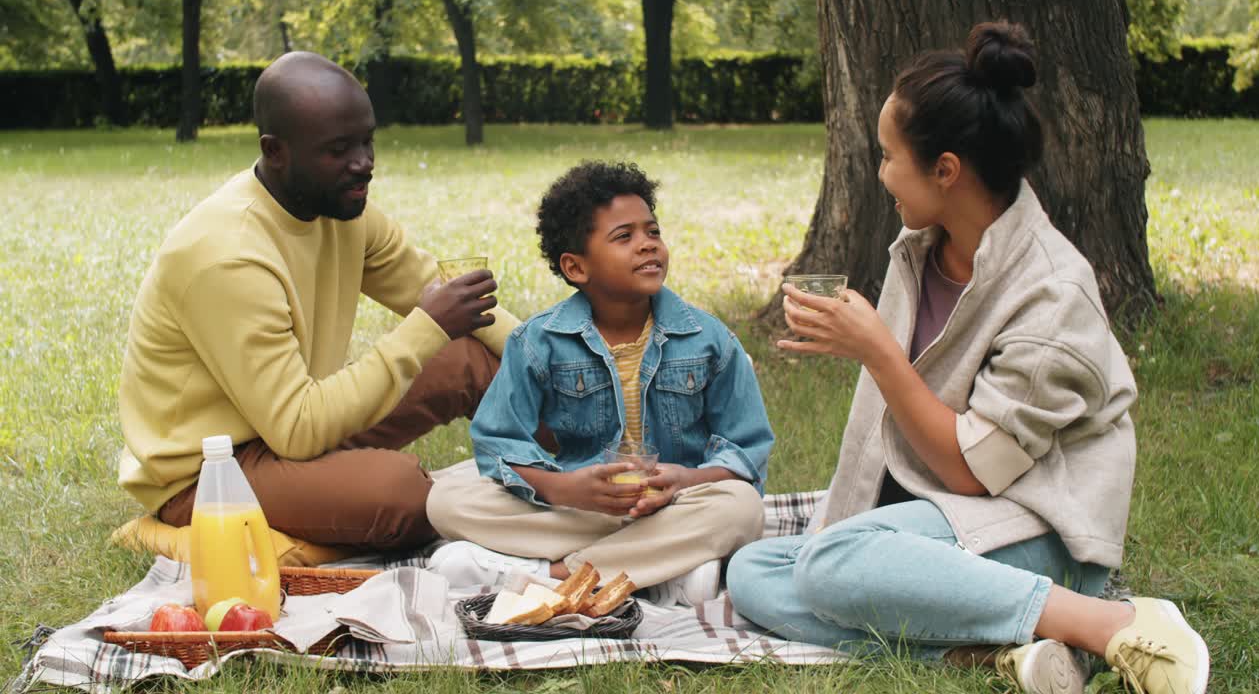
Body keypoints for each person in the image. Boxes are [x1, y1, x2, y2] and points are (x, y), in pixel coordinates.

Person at [725, 22, 1209, 694]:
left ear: (945, 170)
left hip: (1038, 527)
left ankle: (1105, 619)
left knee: (831, 562)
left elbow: (975, 473)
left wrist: (878, 353)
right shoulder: (920, 248)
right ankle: (993, 653)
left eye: (889, 156)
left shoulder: (1052, 297)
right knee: (755, 571)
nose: (882, 173)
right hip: (941, 514)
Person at [117, 52, 518, 551]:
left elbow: (437, 288)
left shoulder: (341, 208)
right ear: (275, 150)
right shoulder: (228, 255)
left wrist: (557, 357)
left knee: (477, 357)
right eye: (338, 149)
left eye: (368, 141)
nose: (364, 163)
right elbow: (298, 429)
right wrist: (427, 326)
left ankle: (590, 477)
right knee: (403, 496)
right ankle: (168, 531)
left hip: (291, 431)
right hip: (213, 471)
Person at [426, 161, 774, 606]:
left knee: (741, 508)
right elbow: (498, 443)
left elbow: (747, 449)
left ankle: (550, 575)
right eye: (624, 237)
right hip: (578, 506)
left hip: (672, 504)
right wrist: (565, 488)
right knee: (445, 499)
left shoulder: (710, 341)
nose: (648, 246)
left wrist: (685, 479)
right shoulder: (537, 342)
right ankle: (662, 572)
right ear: (576, 267)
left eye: (653, 231)